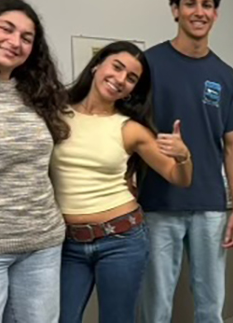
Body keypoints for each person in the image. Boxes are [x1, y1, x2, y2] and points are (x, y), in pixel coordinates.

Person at [53, 41, 193, 323]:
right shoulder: (56, 114)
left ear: (132, 90)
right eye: (116, 67)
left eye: (131, 78)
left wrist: (184, 156)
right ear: (97, 65)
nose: (120, 79)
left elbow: (179, 177)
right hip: (66, 242)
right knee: (61, 318)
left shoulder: (130, 129)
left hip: (121, 240)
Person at [139, 0, 233, 323]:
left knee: (211, 306)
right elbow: (127, 131)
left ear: (216, 14)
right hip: (158, 204)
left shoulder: (225, 75)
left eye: (207, 5)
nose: (199, 12)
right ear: (175, 10)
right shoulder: (148, 65)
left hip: (209, 207)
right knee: (156, 307)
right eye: (190, 4)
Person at [0, 0, 70, 322]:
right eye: (6, 29)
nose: (16, 42)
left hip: (41, 242)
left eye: (27, 38)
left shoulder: (38, 94)